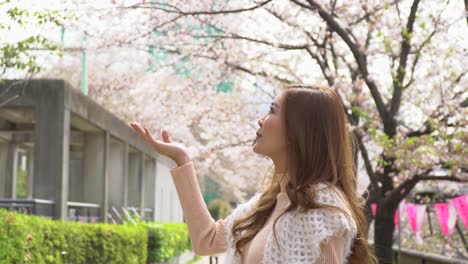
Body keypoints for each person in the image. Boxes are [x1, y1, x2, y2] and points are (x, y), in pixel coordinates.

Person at [130, 84, 376, 263]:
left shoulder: (321, 208)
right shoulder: (269, 202)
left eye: (272, 110)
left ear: (297, 131)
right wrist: (181, 159)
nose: (261, 120)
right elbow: (207, 239)